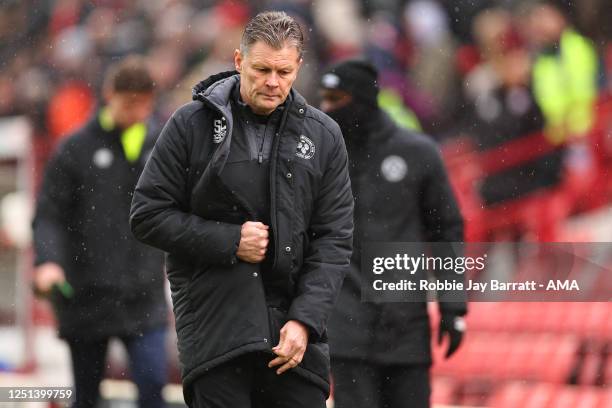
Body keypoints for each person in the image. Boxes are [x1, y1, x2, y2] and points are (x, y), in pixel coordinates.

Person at [129, 11, 353, 408]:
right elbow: (147, 214)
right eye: (261, 68)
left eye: (283, 71)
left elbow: (333, 238)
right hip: (216, 334)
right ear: (238, 61)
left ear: (298, 68)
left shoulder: (324, 136)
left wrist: (305, 320)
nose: (272, 81)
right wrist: (230, 241)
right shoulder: (189, 124)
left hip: (294, 344)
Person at [319, 59, 466, 408]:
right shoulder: (322, 158)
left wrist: (453, 308)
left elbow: (446, 231)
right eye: (323, 98)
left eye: (336, 98)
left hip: (405, 324)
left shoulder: (418, 153)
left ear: (362, 99)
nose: (327, 108)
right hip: (345, 328)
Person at [32, 56, 168, 408]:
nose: (135, 111)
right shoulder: (74, 149)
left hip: (143, 295)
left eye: (142, 103)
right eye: (128, 102)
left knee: (154, 385)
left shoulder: (164, 147)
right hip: (86, 296)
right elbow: (49, 214)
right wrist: (49, 261)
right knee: (87, 396)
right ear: (110, 95)